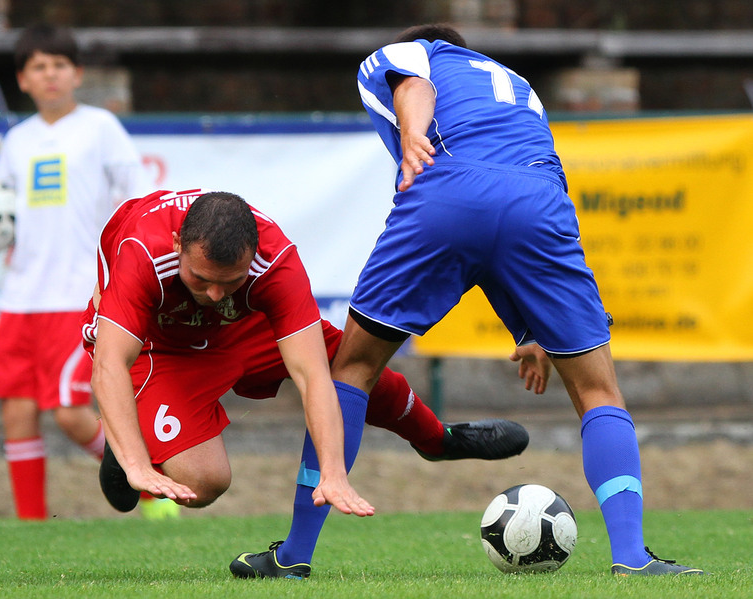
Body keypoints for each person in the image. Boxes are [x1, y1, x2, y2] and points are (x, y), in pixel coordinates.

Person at [262, 22, 702, 577]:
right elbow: (506, 211)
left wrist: (414, 135)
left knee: (352, 369)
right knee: (597, 389)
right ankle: (633, 558)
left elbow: (413, 87)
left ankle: (294, 556)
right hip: (540, 202)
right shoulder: (519, 85)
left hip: (445, 188)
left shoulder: (414, 52)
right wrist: (531, 328)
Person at [83, 189, 528, 548]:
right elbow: (109, 364)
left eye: (231, 281)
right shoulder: (142, 248)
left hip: (243, 329)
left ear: (252, 255)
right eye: (201, 279)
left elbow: (315, 376)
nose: (216, 294)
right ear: (178, 244)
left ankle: (437, 440)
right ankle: (126, 452)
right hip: (161, 343)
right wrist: (139, 465)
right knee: (204, 483)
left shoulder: (276, 260)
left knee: (354, 367)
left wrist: (333, 471)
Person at [0, 23, 147, 520]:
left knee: (72, 414)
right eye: (38, 67)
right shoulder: (16, 141)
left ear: (76, 74)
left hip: (79, 296)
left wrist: (120, 272)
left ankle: (148, 486)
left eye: (58, 65)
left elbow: (138, 202)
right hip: (20, 297)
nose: (49, 75)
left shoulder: (101, 128)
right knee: (16, 411)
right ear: (23, 80)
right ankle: (31, 525)